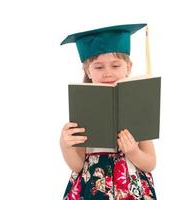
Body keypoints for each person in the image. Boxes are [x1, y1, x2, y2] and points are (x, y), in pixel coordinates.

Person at [60, 23, 157, 199]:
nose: (107, 73)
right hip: (93, 188)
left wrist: (133, 152)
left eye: (115, 65)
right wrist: (65, 146)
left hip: (130, 188)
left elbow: (150, 162)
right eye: (98, 67)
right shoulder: (83, 107)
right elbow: (78, 165)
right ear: (87, 71)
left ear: (128, 67)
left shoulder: (137, 106)